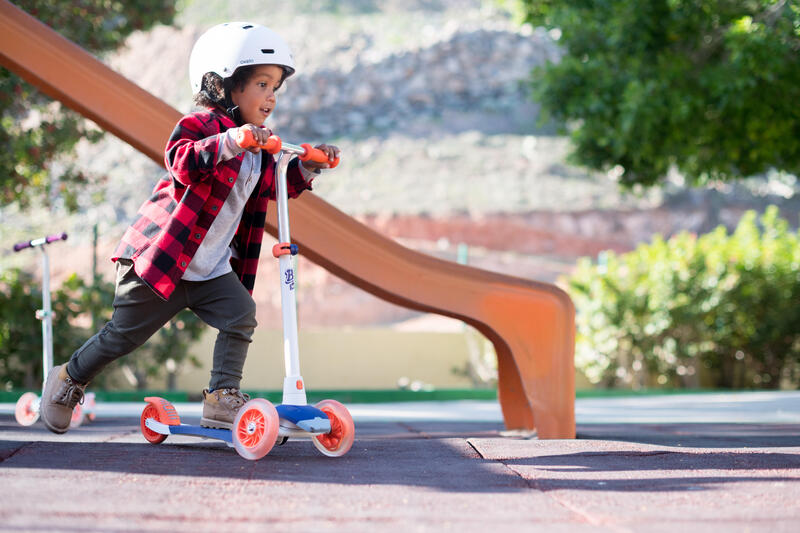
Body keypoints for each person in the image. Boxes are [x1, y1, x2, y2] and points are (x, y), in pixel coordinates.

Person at [40, 22, 340, 434]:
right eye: (261, 84)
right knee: (121, 337)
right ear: (226, 85)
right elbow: (180, 160)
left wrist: (308, 165)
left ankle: (222, 398)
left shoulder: (259, 147)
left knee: (241, 316)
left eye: (275, 87)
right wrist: (232, 141)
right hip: (162, 259)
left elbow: (273, 188)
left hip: (209, 269)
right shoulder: (203, 125)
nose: (271, 96)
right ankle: (68, 379)